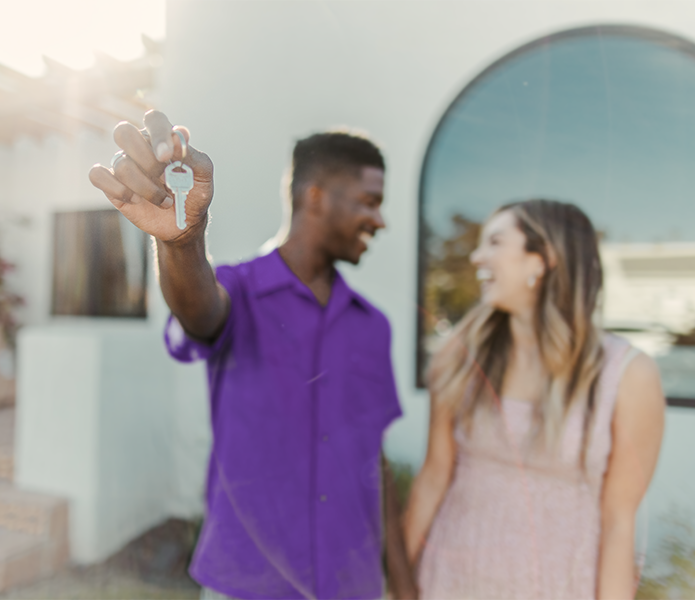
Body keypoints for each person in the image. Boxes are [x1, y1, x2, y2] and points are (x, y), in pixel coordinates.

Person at [89, 110, 417, 600]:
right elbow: (200, 311)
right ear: (316, 197)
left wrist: (407, 586)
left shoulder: (374, 326)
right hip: (249, 582)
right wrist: (182, 242)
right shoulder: (238, 291)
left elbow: (376, 460)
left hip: (353, 585)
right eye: (370, 202)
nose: (380, 220)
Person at [402, 199, 666, 600]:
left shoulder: (629, 374)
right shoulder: (459, 358)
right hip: (448, 585)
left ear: (542, 260)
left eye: (494, 242)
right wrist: (396, 583)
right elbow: (433, 477)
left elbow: (618, 523)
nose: (476, 257)